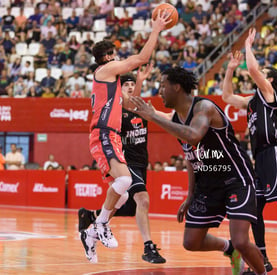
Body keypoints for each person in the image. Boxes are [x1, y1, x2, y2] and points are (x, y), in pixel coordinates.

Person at [130, 67, 265, 275]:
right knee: (191, 242)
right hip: (207, 183)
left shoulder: (204, 107)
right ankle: (229, 249)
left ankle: (260, 272)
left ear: (177, 87)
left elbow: (193, 136)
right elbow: (191, 157)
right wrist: (190, 194)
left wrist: (154, 117)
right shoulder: (176, 118)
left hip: (235, 177)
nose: (160, 91)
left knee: (241, 240)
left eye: (163, 86)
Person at [79, 10, 170, 264]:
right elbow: (141, 57)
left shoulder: (112, 83)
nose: (117, 56)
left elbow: (131, 105)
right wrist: (156, 30)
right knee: (125, 181)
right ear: (107, 57)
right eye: (114, 53)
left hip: (112, 137)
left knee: (124, 192)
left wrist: (139, 82)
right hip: (104, 134)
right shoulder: (106, 70)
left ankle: (92, 230)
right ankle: (98, 225)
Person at [221, 29, 277, 275]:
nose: (260, 76)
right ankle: (262, 256)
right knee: (255, 208)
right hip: (259, 158)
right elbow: (227, 96)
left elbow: (252, 71)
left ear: (269, 80)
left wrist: (249, 45)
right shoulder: (252, 101)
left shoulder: (269, 96)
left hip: (274, 154)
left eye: (264, 75)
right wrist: (230, 68)